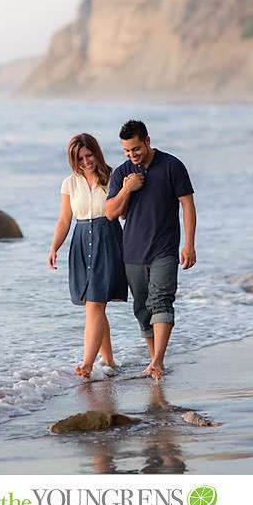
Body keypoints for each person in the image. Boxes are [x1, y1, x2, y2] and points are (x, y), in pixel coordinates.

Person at [105, 120, 196, 380]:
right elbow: (110, 212)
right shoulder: (123, 173)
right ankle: (155, 361)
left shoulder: (172, 165)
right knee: (142, 309)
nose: (132, 155)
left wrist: (189, 243)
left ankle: (157, 361)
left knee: (161, 300)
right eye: (126, 151)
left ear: (147, 140)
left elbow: (188, 205)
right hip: (132, 250)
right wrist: (127, 188)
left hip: (165, 248)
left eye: (135, 149)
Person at [48, 133, 128, 378]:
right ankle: (110, 360)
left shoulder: (114, 176)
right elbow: (64, 220)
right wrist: (54, 248)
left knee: (95, 304)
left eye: (89, 155)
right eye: (80, 158)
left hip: (108, 240)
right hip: (82, 242)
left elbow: (123, 213)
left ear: (97, 152)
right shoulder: (69, 183)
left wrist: (127, 190)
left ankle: (87, 364)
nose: (86, 161)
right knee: (94, 305)